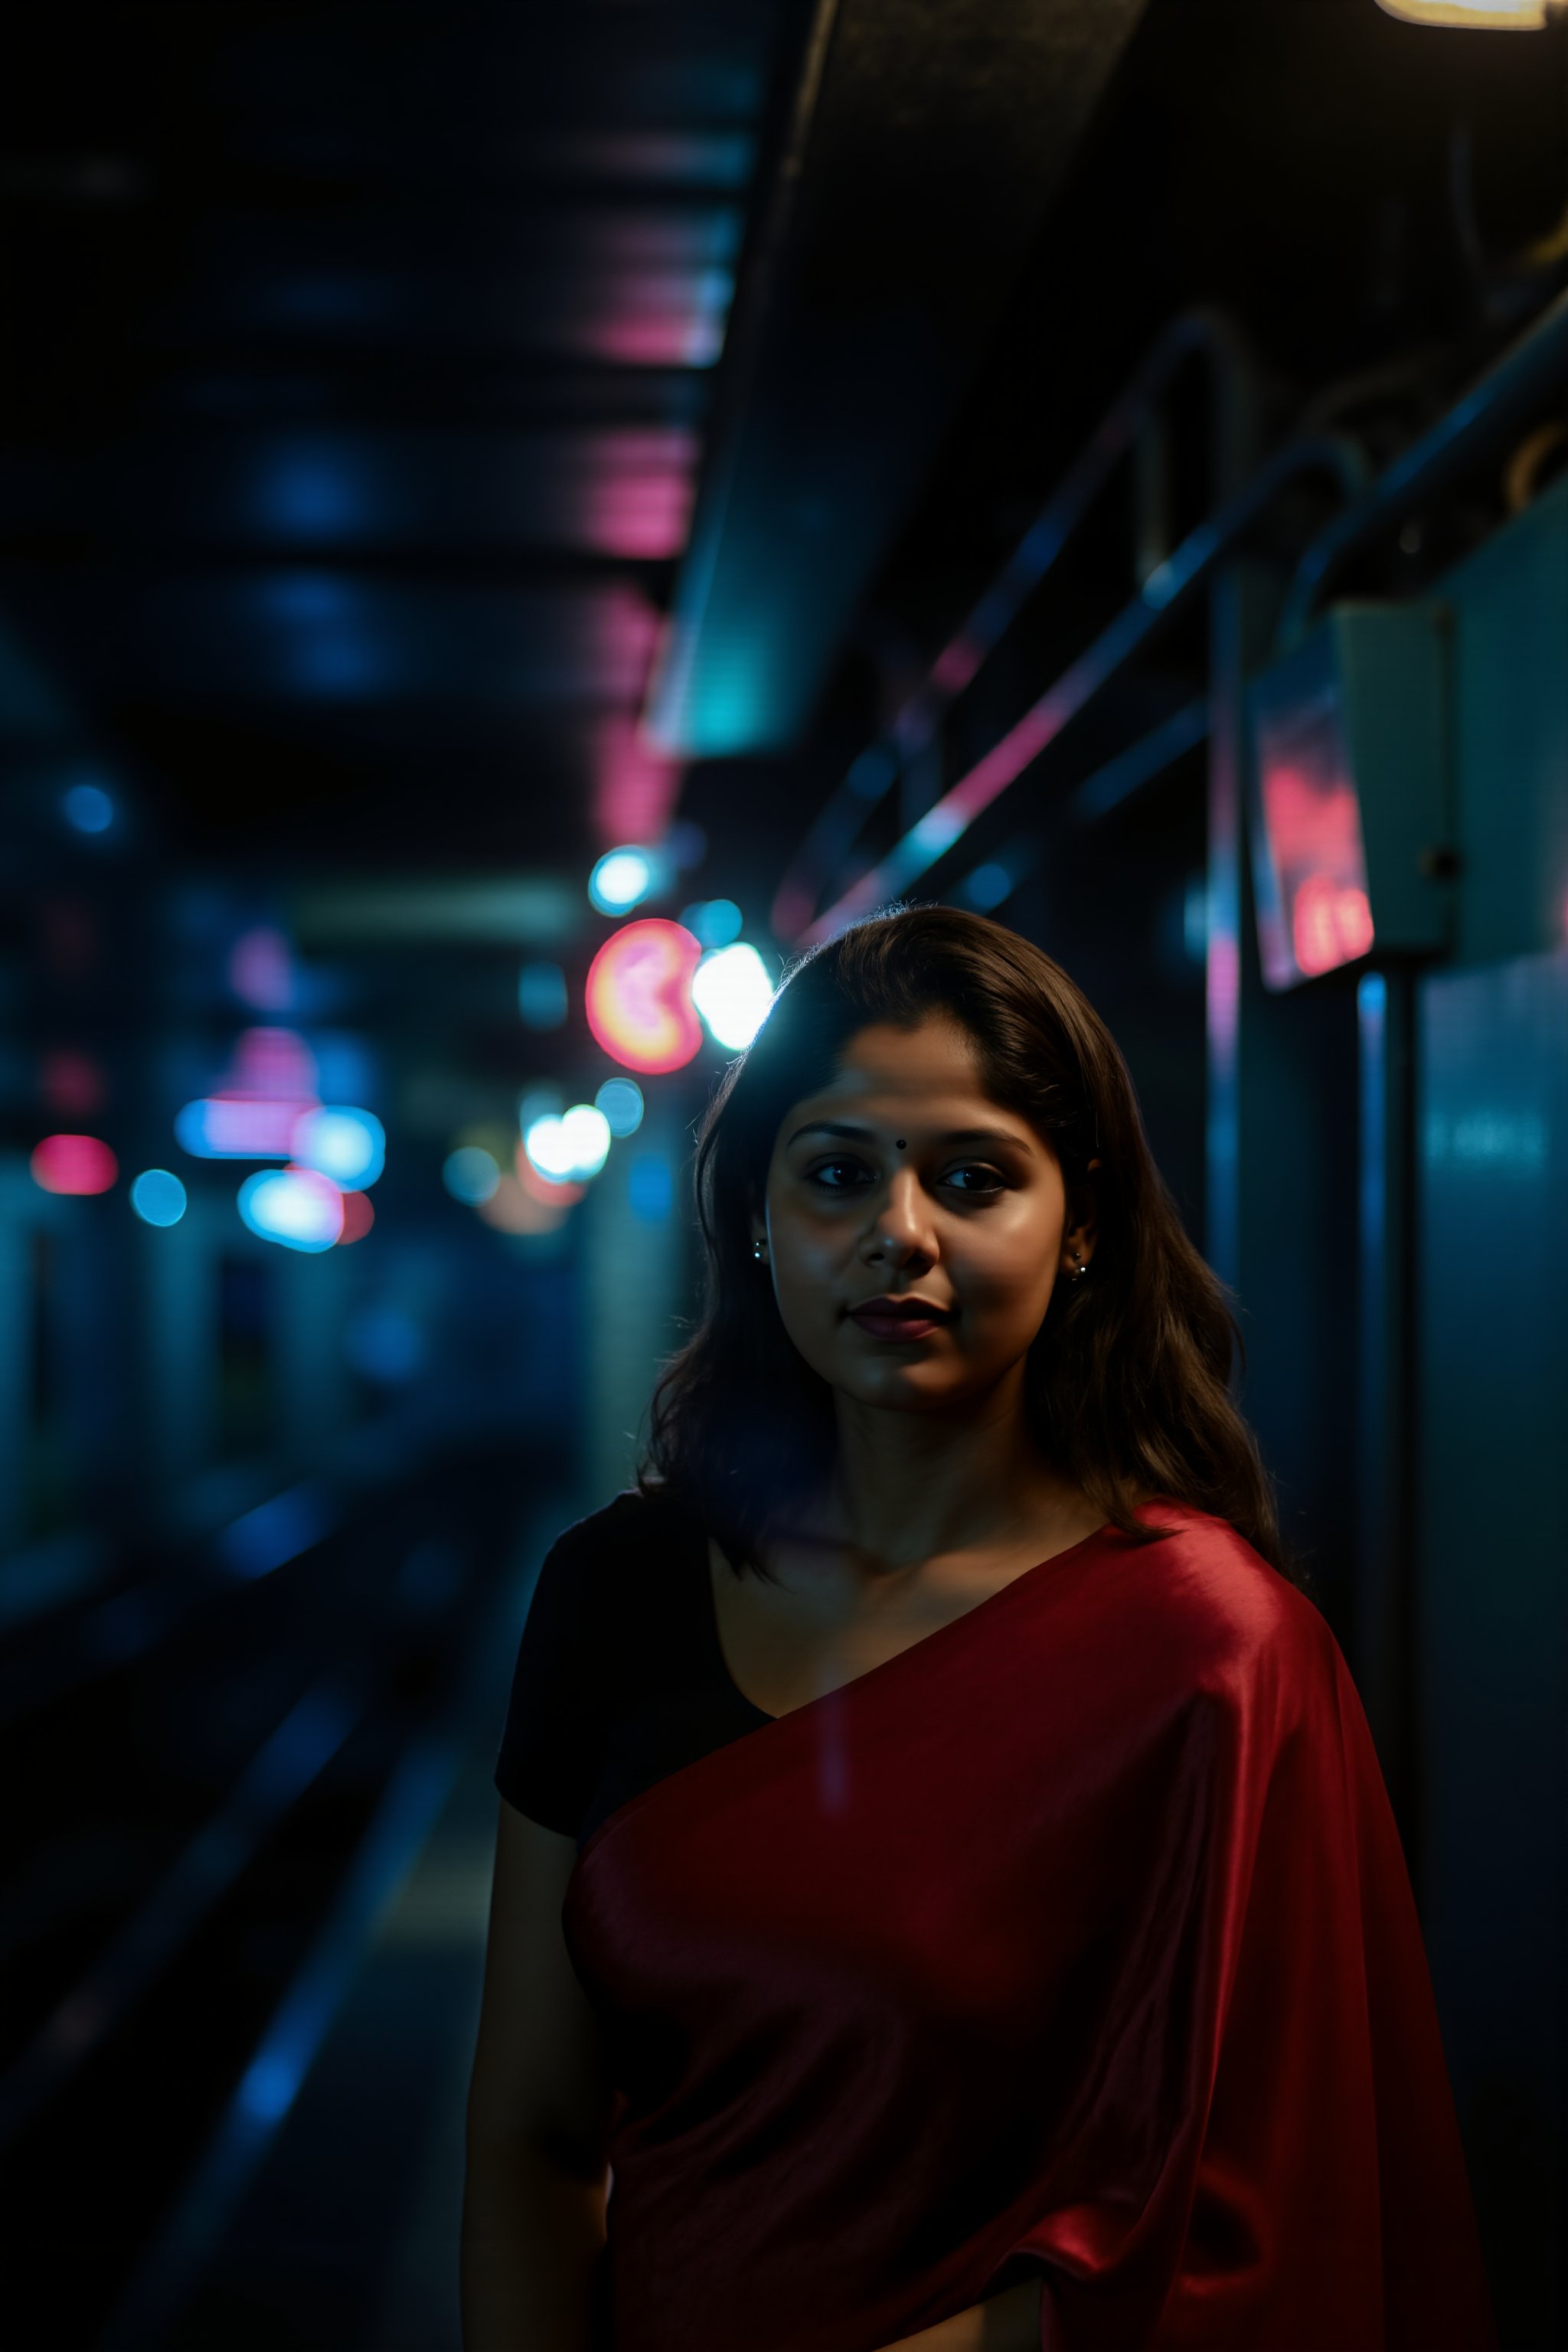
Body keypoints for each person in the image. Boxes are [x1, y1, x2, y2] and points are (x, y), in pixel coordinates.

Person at [461, 906, 1494, 2352]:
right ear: (757, 1215)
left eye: (972, 1178)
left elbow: (1259, 2216)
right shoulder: (618, 1592)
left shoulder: (1207, 1653)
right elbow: (533, 2133)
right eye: (837, 1176)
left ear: (1078, 1227)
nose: (900, 1235)